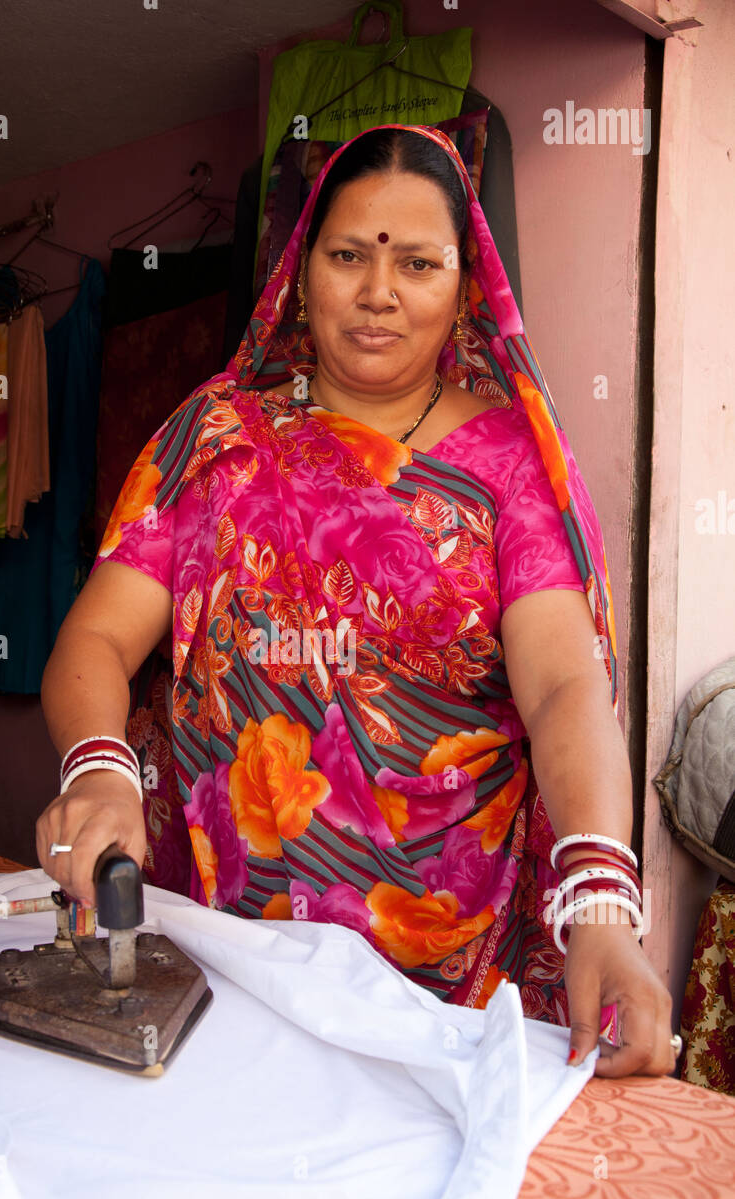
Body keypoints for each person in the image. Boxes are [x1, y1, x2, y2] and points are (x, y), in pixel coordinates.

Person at [37, 124, 675, 1079]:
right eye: (347, 256)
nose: (379, 293)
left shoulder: (508, 466)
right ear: (302, 272)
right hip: (215, 958)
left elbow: (562, 690)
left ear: (463, 285)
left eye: (417, 263)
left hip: (440, 992)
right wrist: (98, 773)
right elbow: (96, 634)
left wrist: (597, 903)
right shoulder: (216, 439)